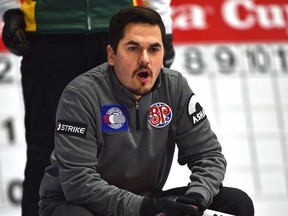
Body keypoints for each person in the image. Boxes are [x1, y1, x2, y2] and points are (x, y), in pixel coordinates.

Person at [39, 6, 254, 216]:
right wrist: (146, 208)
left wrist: (196, 198)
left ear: (163, 53)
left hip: (147, 200)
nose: (144, 59)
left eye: (153, 49)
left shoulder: (175, 86)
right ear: (111, 55)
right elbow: (79, 184)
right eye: (133, 48)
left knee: (237, 203)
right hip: (78, 203)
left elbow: (209, 155)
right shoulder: (81, 95)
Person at [0, 0, 175, 215]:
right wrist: (9, 8)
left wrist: (161, 19)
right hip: (48, 34)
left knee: (124, 149)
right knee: (45, 149)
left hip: (120, 32)